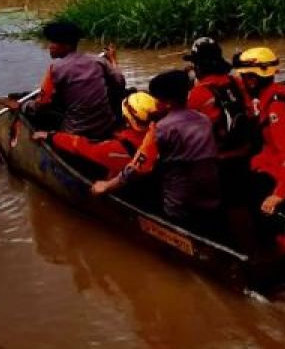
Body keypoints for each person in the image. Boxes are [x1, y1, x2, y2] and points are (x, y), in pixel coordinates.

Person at [91, 70, 221, 232]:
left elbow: (136, 168)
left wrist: (108, 185)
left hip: (179, 206)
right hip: (211, 198)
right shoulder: (205, 121)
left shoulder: (160, 129)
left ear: (166, 103)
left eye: (156, 99)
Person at [8, 21, 125, 141]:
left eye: (54, 42)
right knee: (115, 92)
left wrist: (22, 106)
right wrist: (112, 60)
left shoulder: (55, 69)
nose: (50, 46)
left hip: (76, 132)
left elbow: (41, 104)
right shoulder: (98, 61)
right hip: (106, 127)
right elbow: (120, 82)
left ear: (67, 45)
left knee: (39, 111)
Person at [232, 47, 285, 217]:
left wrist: (278, 195)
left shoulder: (277, 109)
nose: (241, 80)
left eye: (243, 77)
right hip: (269, 163)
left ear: (252, 80)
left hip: (282, 174)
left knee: (235, 190)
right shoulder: (270, 96)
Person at [33, 92, 157, 178]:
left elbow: (81, 145)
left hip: (119, 177)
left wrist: (51, 136)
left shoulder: (117, 148)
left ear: (127, 119)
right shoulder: (162, 133)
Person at [182, 37, 255, 161]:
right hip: (245, 149)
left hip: (218, 157)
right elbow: (250, 111)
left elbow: (185, 131)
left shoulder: (197, 93)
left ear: (198, 66)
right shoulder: (236, 81)